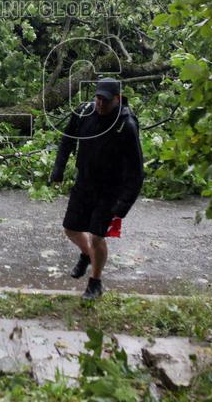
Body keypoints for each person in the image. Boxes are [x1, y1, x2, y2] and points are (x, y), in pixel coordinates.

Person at [49, 77, 144, 300]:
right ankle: (86, 254)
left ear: (117, 99)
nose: (100, 104)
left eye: (106, 101)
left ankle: (95, 282)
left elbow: (136, 170)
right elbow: (67, 141)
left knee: (97, 237)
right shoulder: (84, 112)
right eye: (98, 98)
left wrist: (124, 204)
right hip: (84, 182)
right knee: (70, 228)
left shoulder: (126, 125)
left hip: (110, 189)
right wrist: (58, 169)